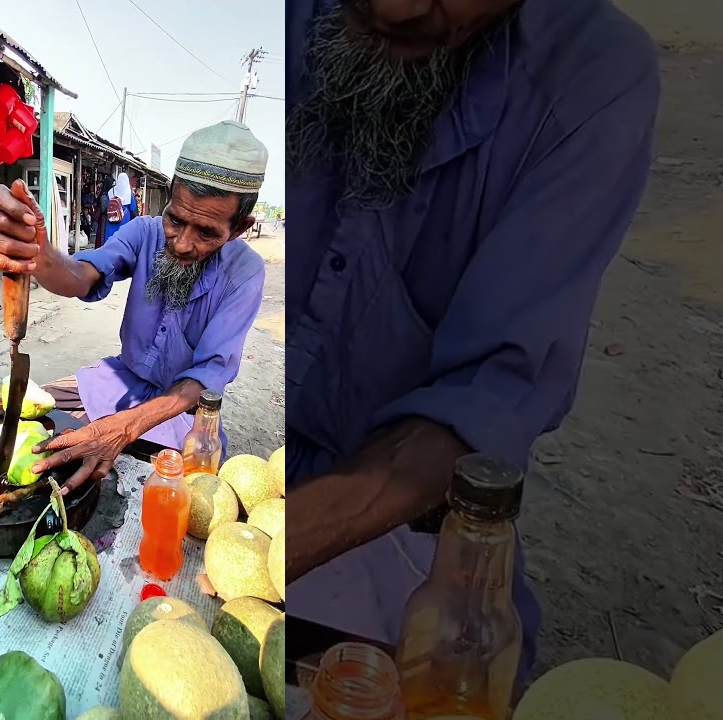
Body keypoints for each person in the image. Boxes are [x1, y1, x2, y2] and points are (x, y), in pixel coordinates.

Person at [281, 0, 659, 684]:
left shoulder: (592, 77)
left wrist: (272, 547)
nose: (395, 8)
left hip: (398, 521)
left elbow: (487, 397)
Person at [0, 121, 268, 493]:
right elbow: (82, 275)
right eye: (175, 219)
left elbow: (206, 378)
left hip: (182, 409)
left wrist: (124, 427)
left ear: (239, 228)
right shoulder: (145, 231)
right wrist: (37, 253)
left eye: (206, 233)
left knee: (174, 491)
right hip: (117, 380)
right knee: (21, 426)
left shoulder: (245, 273)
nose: (181, 243)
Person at [101, 172, 140, 246]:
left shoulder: (111, 192)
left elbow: (106, 206)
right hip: (124, 220)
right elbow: (133, 210)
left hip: (111, 219)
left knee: (110, 241)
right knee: (122, 242)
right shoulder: (128, 193)